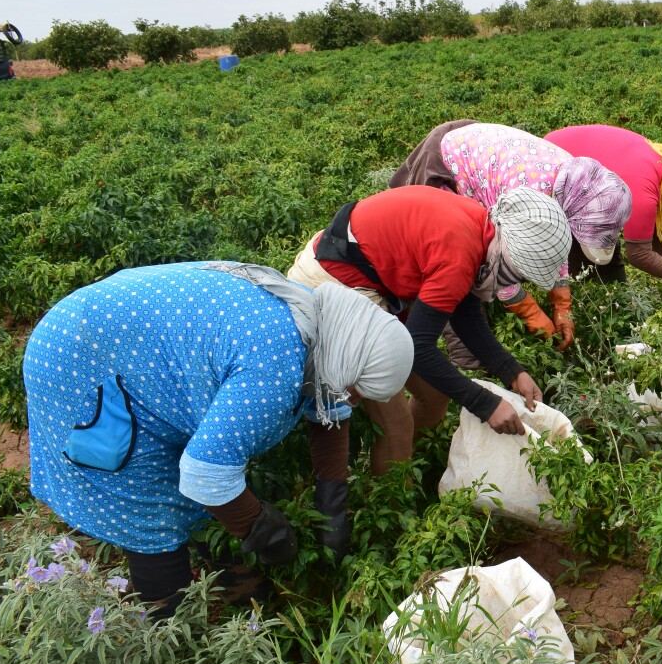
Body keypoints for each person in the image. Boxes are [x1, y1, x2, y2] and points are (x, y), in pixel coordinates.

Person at [24, 261, 415, 616]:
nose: (354, 400)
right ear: (349, 358)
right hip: (80, 357)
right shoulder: (275, 362)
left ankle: (235, 591)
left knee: (208, 483)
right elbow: (205, 475)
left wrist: (333, 502)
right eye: (358, 389)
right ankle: (169, 634)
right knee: (149, 507)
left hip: (124, 339)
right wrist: (262, 528)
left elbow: (330, 411)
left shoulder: (323, 321)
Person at [286, 184, 571, 474]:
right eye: (518, 274)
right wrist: (485, 404)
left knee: (434, 397)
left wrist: (512, 371)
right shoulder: (459, 253)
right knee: (395, 423)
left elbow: (465, 313)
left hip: (374, 281)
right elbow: (418, 348)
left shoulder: (482, 229)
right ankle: (391, 499)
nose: (513, 283)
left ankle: (406, 464)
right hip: (334, 282)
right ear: (509, 252)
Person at [392, 120, 631, 349]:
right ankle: (465, 357)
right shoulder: (529, 193)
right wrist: (530, 311)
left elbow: (555, 241)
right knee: (460, 270)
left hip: (483, 149)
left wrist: (562, 302)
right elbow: (497, 257)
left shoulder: (577, 183)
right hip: (447, 161)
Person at [544, 124, 662, 292]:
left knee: (605, 255)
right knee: (584, 261)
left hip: (586, 177)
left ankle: (608, 303)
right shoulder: (644, 188)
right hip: (552, 164)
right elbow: (638, 254)